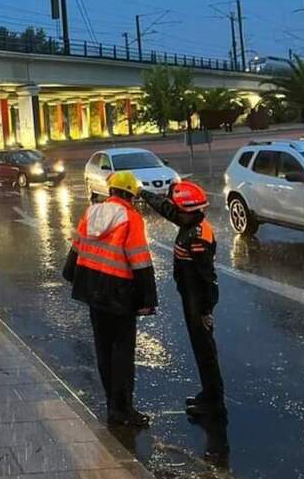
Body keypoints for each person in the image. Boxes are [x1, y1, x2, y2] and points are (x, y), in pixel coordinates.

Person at [63, 171, 157, 427]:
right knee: (122, 353)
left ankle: (111, 405)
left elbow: (77, 245)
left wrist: (71, 273)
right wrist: (148, 297)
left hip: (92, 289)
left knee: (103, 350)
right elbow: (139, 259)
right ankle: (123, 409)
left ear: (111, 191)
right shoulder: (130, 218)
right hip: (119, 292)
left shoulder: (91, 212)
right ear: (129, 194)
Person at [141, 180, 226, 417]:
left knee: (204, 349)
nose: (174, 212)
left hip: (198, 298)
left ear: (188, 211)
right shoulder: (190, 221)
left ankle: (214, 401)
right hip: (190, 294)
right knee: (200, 347)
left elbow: (207, 278)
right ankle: (208, 393)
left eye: (178, 209)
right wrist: (143, 193)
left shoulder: (198, 237)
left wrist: (206, 310)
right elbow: (167, 209)